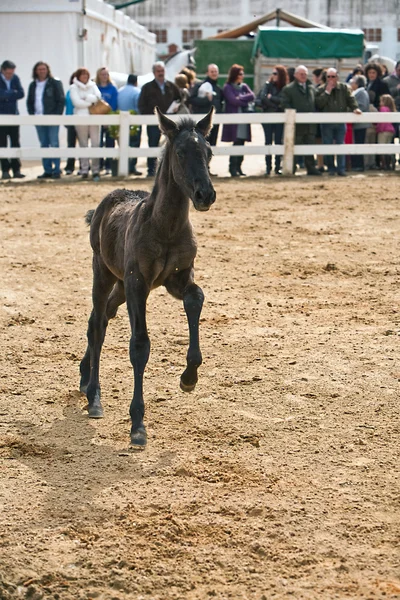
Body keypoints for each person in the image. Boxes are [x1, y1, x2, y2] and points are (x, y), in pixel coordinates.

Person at [315, 67, 361, 176]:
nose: (331, 79)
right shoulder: (321, 89)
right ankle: (331, 168)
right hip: (326, 123)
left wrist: (355, 108)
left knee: (341, 145)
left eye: (333, 77)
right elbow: (319, 104)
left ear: (337, 77)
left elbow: (350, 99)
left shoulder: (344, 88)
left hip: (341, 122)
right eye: (329, 77)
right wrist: (327, 91)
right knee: (328, 146)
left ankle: (341, 169)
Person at [138, 61, 180, 177]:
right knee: (153, 144)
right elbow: (141, 105)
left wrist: (176, 108)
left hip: (170, 123)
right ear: (154, 73)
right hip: (154, 122)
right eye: (158, 71)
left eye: (162, 71)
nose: (160, 73)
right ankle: (151, 170)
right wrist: (150, 116)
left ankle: (171, 171)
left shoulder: (171, 86)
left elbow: (179, 99)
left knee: (172, 146)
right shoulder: (147, 87)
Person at [281, 65, 321, 176]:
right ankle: (291, 167)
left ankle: (311, 168)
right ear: (295, 75)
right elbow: (285, 104)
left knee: (309, 146)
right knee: (293, 147)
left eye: (305, 74)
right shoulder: (288, 89)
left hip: (310, 124)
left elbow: (317, 103)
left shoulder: (312, 88)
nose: (303, 76)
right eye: (301, 74)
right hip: (296, 125)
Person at [27, 61, 65, 179]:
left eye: (43, 69)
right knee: (44, 143)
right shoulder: (33, 85)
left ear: (47, 70)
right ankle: (47, 170)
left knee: (54, 143)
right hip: (39, 118)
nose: (42, 71)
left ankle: (57, 169)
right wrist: (32, 114)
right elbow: (30, 101)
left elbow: (61, 100)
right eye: (39, 69)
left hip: (52, 117)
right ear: (36, 71)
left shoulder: (55, 83)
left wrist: (57, 115)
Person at [221, 64, 255, 177]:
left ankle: (239, 167)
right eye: (240, 74)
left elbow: (252, 96)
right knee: (236, 143)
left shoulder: (244, 86)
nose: (242, 76)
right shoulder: (227, 87)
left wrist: (240, 98)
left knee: (242, 143)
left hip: (243, 120)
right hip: (234, 121)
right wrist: (244, 100)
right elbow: (233, 101)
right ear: (235, 74)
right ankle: (232, 168)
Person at [69, 67, 102, 181]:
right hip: (80, 118)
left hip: (94, 117)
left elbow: (98, 97)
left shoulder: (92, 85)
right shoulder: (73, 87)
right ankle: (84, 169)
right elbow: (76, 102)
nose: (84, 77)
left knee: (95, 144)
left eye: (86, 74)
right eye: (82, 75)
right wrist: (90, 102)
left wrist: (87, 98)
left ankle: (96, 170)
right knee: (83, 144)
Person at [255, 65, 288, 176]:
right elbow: (263, 97)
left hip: (279, 118)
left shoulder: (285, 87)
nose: (273, 76)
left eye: (275, 73)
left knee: (278, 142)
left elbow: (283, 101)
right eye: (273, 73)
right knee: (268, 141)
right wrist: (275, 106)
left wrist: (271, 98)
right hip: (268, 117)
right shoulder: (267, 85)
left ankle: (277, 167)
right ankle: (268, 167)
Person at [188, 63, 224, 148]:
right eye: (212, 71)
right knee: (201, 147)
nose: (214, 73)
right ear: (207, 73)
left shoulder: (218, 88)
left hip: (215, 122)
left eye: (215, 71)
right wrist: (206, 100)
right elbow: (191, 100)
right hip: (202, 123)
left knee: (212, 147)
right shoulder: (199, 85)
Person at [0, 60, 25, 179]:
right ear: (3, 70)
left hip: (14, 115)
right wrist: (11, 94)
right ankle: (5, 170)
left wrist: (6, 95)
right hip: (1, 116)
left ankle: (16, 169)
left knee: (15, 143)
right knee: (2, 144)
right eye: (8, 73)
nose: (10, 75)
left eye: (11, 73)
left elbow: (21, 93)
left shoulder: (15, 78)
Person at [118, 74, 142, 176]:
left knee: (122, 143)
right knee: (134, 143)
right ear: (136, 82)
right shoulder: (137, 91)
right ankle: (132, 166)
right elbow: (138, 107)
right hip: (134, 121)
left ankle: (124, 165)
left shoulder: (120, 90)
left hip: (120, 121)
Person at [95, 67, 118, 174]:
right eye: (102, 74)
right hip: (97, 118)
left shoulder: (112, 88)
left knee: (110, 142)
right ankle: (99, 164)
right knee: (98, 143)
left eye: (106, 74)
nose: (104, 76)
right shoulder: (95, 87)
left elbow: (114, 104)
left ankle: (109, 165)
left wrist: (107, 117)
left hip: (109, 118)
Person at [349, 75, 370, 171]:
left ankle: (359, 165)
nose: (351, 84)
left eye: (352, 82)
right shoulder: (358, 93)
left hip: (360, 124)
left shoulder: (361, 93)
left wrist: (352, 109)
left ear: (357, 84)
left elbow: (362, 106)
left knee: (359, 143)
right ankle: (356, 164)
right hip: (357, 124)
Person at [376, 94, 396, 170]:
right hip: (390, 130)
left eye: (381, 101)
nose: (380, 102)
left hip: (383, 131)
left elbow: (382, 122)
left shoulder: (383, 108)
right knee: (388, 148)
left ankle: (384, 165)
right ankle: (390, 163)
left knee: (381, 149)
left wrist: (378, 129)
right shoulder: (390, 109)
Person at [64, 71, 79, 175]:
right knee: (71, 144)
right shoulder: (69, 91)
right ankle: (70, 166)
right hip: (70, 120)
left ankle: (84, 166)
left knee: (84, 144)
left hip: (81, 120)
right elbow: (68, 107)